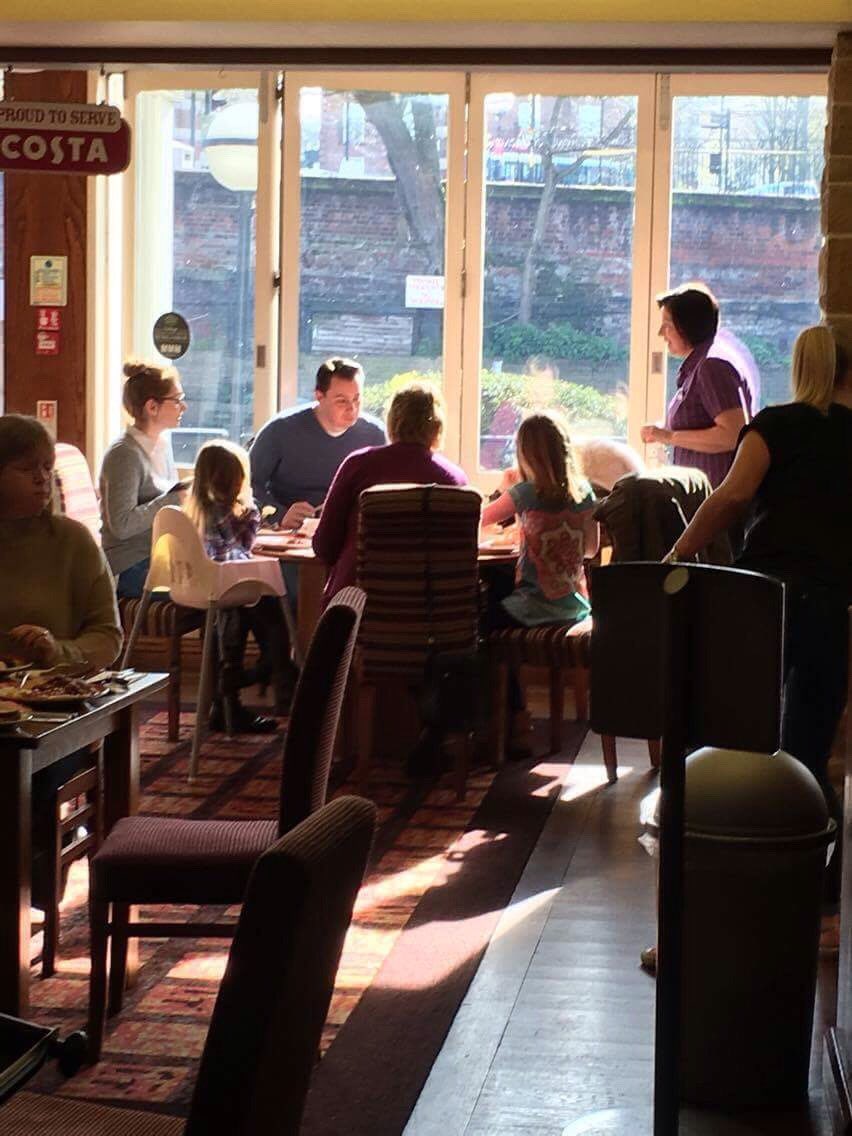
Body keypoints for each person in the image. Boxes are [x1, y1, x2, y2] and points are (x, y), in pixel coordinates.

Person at [664, 323, 852, 949]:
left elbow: (730, 499)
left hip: (764, 601)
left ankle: (703, 916)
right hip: (832, 608)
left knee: (731, 747)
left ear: (803, 367)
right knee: (808, 757)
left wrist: (675, 555)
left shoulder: (777, 424)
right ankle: (822, 916)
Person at [0, 414, 122, 907]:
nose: (42, 480)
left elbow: (108, 639)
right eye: (28, 469)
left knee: (30, 781)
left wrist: (57, 651)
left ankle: (29, 888)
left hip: (58, 713)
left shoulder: (72, 542)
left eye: (47, 469)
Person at [481, 412, 598, 752]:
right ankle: (517, 719)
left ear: (525, 454)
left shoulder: (524, 493)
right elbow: (591, 548)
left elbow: (480, 519)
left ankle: (510, 719)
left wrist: (505, 490)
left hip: (533, 607)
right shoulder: (585, 493)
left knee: (481, 629)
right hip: (574, 606)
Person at [312, 381, 467, 602]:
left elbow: (325, 546)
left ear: (392, 421)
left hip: (356, 609)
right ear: (437, 426)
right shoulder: (454, 480)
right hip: (430, 612)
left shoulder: (358, 465)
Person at [185, 439, 294, 732]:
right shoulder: (224, 513)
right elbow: (239, 551)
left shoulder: (193, 511)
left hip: (202, 589)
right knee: (271, 608)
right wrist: (253, 519)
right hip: (223, 589)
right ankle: (271, 674)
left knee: (250, 611)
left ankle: (233, 694)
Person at [250, 357, 385, 531]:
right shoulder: (281, 430)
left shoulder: (374, 435)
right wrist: (279, 514)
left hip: (349, 532)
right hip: (289, 532)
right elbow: (246, 484)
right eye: (342, 400)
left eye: (357, 399)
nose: (352, 408)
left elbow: (386, 490)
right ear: (319, 396)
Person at [641, 284, 751, 489]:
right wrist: (661, 430)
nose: (660, 333)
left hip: (716, 496)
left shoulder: (712, 367)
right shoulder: (701, 364)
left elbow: (732, 434)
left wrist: (668, 437)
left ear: (687, 327)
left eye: (667, 325)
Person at [99, 360, 188, 598]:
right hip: (130, 566)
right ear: (152, 407)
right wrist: (173, 500)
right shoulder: (124, 454)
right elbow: (121, 525)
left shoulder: (162, 444)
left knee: (225, 580)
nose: (184, 406)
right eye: (177, 400)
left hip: (159, 556)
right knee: (211, 589)